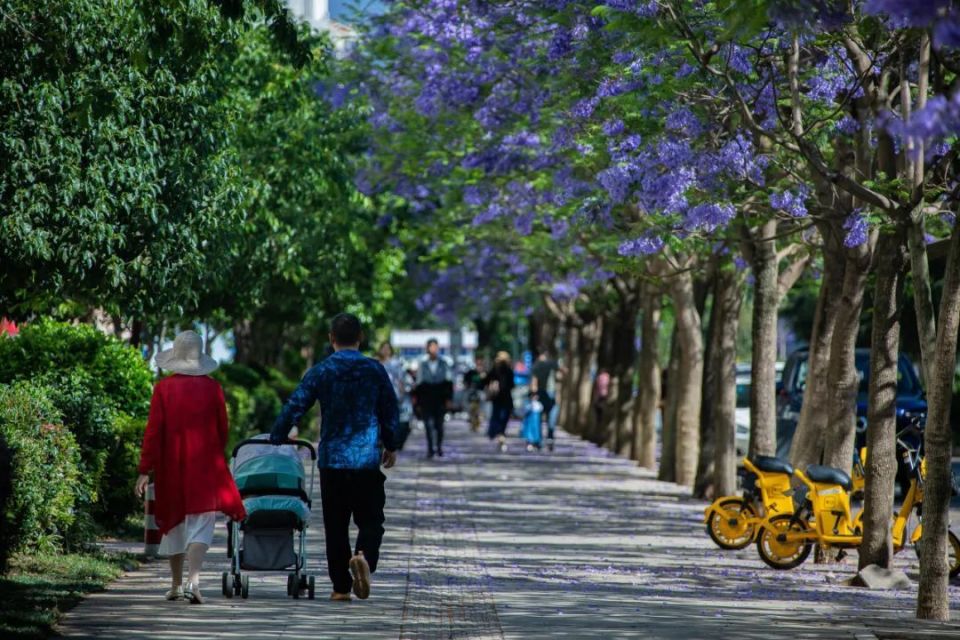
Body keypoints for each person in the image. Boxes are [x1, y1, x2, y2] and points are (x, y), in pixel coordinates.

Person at [270, 313, 399, 602]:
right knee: (371, 520)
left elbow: (296, 404)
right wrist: (391, 443)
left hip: (332, 460)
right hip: (366, 459)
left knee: (336, 525)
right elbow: (390, 408)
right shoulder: (374, 369)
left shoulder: (321, 371)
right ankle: (364, 556)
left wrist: (277, 434)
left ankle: (341, 587)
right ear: (361, 338)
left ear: (331, 339)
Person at [136, 330, 246, 604]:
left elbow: (153, 431)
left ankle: (175, 585)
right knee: (202, 523)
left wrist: (144, 469)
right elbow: (223, 429)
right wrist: (215, 453)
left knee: (174, 524)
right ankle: (193, 581)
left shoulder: (164, 389)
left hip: (171, 466)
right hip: (205, 465)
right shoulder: (213, 388)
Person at [415, 338, 453, 458]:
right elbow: (419, 384)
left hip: (440, 398)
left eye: (435, 347)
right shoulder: (422, 363)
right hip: (426, 398)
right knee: (428, 425)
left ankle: (439, 446)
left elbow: (449, 382)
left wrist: (448, 399)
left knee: (439, 425)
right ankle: (430, 448)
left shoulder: (444, 363)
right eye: (431, 347)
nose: (433, 349)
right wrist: (418, 402)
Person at [377, 341, 412, 449]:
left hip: (395, 395)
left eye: (388, 348)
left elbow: (402, 378)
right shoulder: (376, 363)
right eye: (384, 348)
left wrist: (402, 389)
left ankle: (393, 442)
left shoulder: (396, 363)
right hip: (380, 396)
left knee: (398, 421)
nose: (386, 350)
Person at [530, 351, 564, 452]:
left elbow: (534, 382)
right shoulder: (552, 364)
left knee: (539, 419)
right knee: (551, 420)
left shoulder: (536, 366)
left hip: (541, 395)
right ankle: (549, 439)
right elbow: (563, 372)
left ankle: (539, 441)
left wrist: (533, 394)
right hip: (551, 396)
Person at [485, 351, 515, 452]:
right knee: (499, 418)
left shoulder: (505, 371)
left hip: (502, 399)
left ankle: (500, 434)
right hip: (499, 399)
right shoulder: (495, 370)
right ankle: (500, 434)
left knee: (501, 418)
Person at [462, 355, 487, 433]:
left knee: (481, 406)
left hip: (480, 392)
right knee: (470, 407)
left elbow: (487, 383)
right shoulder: (471, 372)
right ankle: (472, 422)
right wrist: (467, 387)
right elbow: (465, 381)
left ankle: (479, 421)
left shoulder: (484, 373)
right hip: (471, 392)